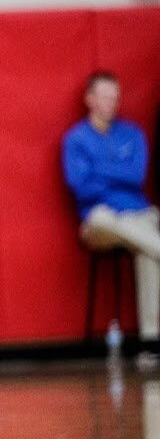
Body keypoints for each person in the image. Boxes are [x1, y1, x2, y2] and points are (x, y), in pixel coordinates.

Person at [63, 71, 160, 348]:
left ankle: (151, 343)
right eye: (105, 96)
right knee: (102, 219)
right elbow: (81, 187)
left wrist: (98, 170)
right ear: (89, 99)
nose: (111, 103)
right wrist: (119, 171)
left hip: (138, 215)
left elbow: (136, 177)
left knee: (147, 250)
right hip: (100, 222)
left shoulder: (133, 134)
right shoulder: (76, 139)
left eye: (115, 97)